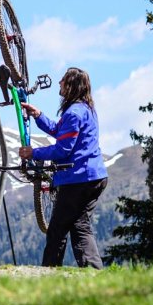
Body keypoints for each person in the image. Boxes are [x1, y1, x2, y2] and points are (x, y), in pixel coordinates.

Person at [19, 67, 108, 269]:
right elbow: (60, 131)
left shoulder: (74, 113)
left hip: (78, 179)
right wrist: (39, 115)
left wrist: (33, 153)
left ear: (71, 86)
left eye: (63, 80)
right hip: (94, 176)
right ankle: (93, 271)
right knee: (80, 225)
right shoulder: (85, 109)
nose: (59, 83)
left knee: (58, 228)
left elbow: (63, 149)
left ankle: (50, 272)